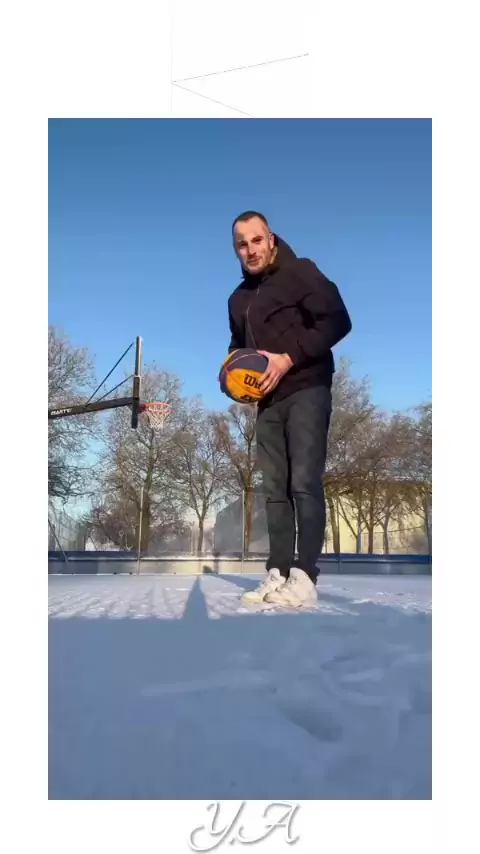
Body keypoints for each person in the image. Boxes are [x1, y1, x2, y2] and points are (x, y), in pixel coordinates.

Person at [227, 211, 352, 607]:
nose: (250, 249)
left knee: (303, 483)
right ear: (236, 250)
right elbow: (238, 349)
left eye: (256, 240)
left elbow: (338, 321)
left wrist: (287, 357)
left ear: (271, 239)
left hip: (307, 388)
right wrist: (233, 378)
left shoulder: (301, 272)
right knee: (275, 490)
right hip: (268, 402)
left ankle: (305, 576)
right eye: (242, 244)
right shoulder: (238, 299)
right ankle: (278, 572)